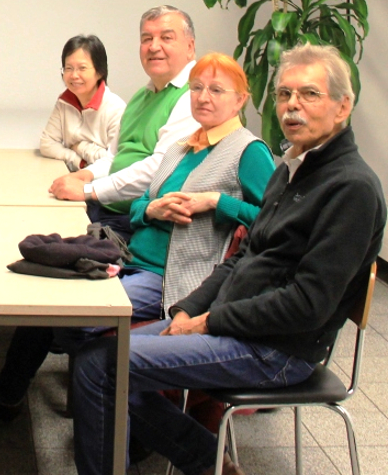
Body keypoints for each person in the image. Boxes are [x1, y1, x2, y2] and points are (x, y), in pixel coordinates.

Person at [71, 43, 385, 475]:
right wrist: (187, 310)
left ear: (342, 106)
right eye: (284, 94)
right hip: (237, 324)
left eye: (309, 95)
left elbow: (307, 304)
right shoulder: (293, 169)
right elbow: (242, 259)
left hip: (276, 351)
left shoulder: (350, 188)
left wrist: (208, 322)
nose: (292, 106)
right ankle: (208, 462)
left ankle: (203, 461)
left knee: (100, 368)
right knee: (100, 358)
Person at [0, 52, 275, 430]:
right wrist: (151, 211)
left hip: (173, 277)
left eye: (217, 90)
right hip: (133, 258)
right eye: (197, 88)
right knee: (47, 298)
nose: (203, 97)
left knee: (65, 321)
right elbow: (138, 208)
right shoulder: (183, 146)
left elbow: (273, 221)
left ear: (240, 99)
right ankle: (19, 399)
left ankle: (116, 420)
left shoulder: (247, 151)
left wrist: (217, 202)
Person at [49, 6, 201, 240]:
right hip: (107, 209)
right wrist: (85, 175)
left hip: (142, 225)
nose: (154, 46)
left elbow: (160, 169)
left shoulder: (194, 97)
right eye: (146, 38)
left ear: (190, 47)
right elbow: (113, 158)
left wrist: (89, 190)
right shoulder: (141, 96)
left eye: (166, 37)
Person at [40, 35, 126, 172]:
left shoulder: (116, 109)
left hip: (102, 184)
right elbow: (47, 144)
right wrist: (77, 160)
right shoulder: (64, 101)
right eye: (68, 68)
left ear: (100, 71)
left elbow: (116, 160)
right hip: (72, 177)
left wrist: (80, 147)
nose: (74, 75)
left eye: (82, 68)